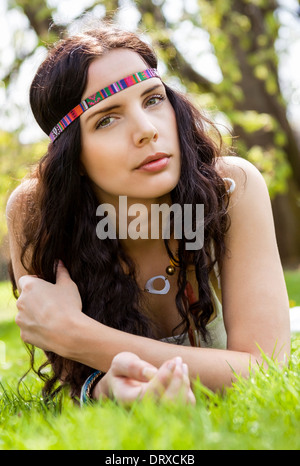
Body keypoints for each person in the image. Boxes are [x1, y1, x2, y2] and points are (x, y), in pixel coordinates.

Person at [6, 22, 290, 406]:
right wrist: (106, 390)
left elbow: (266, 370)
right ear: (73, 156)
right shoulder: (36, 211)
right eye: (107, 119)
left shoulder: (231, 187)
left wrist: (77, 335)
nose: (146, 130)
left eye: (153, 100)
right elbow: (79, 378)